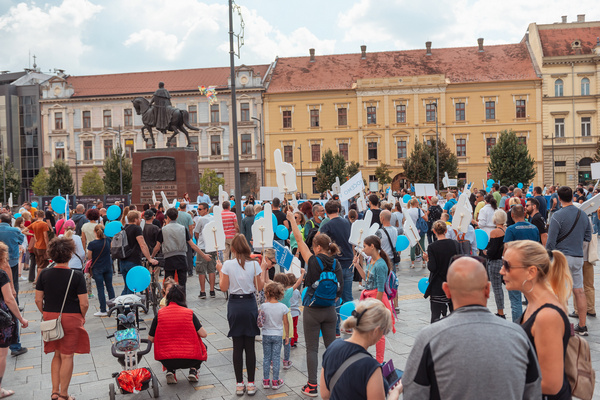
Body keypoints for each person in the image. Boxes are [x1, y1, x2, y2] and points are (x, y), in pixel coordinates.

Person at [402, 257, 542, 399]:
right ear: (487, 289)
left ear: (447, 290)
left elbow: (414, 393)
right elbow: (533, 392)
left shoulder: (429, 338)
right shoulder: (518, 335)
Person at [503, 240, 572, 398]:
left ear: (531, 272)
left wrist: (499, 381)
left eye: (507, 265)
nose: (501, 271)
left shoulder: (547, 316)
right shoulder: (536, 304)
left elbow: (551, 384)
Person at [287, 211, 343, 397]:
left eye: (313, 246)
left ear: (318, 247)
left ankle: (312, 386)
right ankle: (335, 382)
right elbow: (339, 292)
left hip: (312, 310)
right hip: (330, 311)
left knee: (311, 348)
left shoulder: (312, 261)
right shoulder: (336, 264)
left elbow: (298, 239)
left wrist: (291, 219)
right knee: (332, 347)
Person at [35, 237, 90, 400]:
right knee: (67, 355)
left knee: (56, 354)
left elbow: (38, 300)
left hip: (50, 317)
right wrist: (82, 316)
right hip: (72, 316)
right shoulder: (77, 275)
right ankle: (64, 395)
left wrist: (44, 314)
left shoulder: (44, 273)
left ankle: (54, 391)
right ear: (70, 254)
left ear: (51, 254)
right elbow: (84, 303)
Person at [320, 299, 401, 400]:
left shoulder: (333, 347)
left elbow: (325, 395)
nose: (382, 336)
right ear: (376, 331)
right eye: (384, 332)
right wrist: (395, 393)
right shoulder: (370, 366)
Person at [216, 234, 264, 396]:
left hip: (235, 305)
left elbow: (223, 288)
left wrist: (220, 271)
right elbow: (259, 287)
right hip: (250, 304)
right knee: (250, 346)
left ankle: (239, 384)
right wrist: (262, 269)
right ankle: (251, 384)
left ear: (234, 249)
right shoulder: (254, 264)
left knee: (237, 346)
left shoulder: (228, 264)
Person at [546, 186, 592, 336]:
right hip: (578, 257)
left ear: (558, 198)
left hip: (561, 257)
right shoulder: (582, 215)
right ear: (572, 196)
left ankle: (562, 326)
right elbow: (588, 237)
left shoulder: (557, 216)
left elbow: (551, 242)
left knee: (560, 291)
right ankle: (582, 326)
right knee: (579, 291)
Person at [148, 284, 208, 384]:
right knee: (204, 346)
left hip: (166, 358)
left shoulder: (160, 314)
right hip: (190, 358)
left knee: (169, 350)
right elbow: (204, 334)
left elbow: (150, 339)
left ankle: (170, 370)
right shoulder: (189, 313)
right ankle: (193, 370)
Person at [352, 235, 395, 363]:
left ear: (372, 246)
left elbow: (380, 289)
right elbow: (367, 278)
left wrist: (376, 307)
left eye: (365, 246)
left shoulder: (381, 265)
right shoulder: (371, 260)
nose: (363, 249)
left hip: (376, 298)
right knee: (365, 328)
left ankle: (379, 361)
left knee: (378, 332)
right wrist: (357, 265)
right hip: (368, 297)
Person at [158, 208, 211, 293]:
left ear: (167, 217)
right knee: (182, 283)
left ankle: (170, 300)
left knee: (169, 283)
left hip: (169, 258)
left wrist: (151, 257)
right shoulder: (183, 228)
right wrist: (204, 255)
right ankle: (182, 300)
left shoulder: (163, 230)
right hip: (181, 257)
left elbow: (157, 246)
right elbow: (192, 245)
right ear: (177, 216)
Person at [318, 200, 353, 326]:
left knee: (335, 297)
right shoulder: (347, 222)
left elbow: (321, 245)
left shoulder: (326, 226)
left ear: (326, 212)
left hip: (334, 264)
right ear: (338, 210)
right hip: (349, 262)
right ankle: (351, 325)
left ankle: (337, 327)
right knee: (348, 297)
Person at [0, 242, 28, 398]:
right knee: (1, 355)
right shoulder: (1, 274)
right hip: (1, 319)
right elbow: (9, 300)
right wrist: (21, 318)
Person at [504, 204, 540, 322]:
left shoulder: (511, 229)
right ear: (525, 214)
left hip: (515, 267)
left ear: (512, 215)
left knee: (515, 301)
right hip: (530, 267)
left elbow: (507, 249)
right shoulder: (534, 228)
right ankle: (532, 324)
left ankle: (518, 326)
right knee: (531, 298)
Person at [422, 221, 460, 322]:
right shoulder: (455, 244)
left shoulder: (432, 247)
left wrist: (427, 259)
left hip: (437, 285)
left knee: (435, 316)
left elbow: (432, 267)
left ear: (434, 231)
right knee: (455, 314)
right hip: (453, 283)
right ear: (446, 231)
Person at [0, 213, 25, 356]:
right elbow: (21, 241)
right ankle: (15, 345)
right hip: (12, 261)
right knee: (10, 297)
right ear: (10, 222)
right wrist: (12, 288)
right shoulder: (15, 230)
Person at [260, 281, 290, 390]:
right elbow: (286, 322)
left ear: (267, 293)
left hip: (266, 334)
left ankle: (266, 380)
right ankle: (275, 381)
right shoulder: (283, 307)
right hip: (278, 335)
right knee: (276, 358)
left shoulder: (263, 306)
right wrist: (286, 336)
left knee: (266, 357)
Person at [120, 211, 159, 295]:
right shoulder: (136, 228)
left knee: (127, 286)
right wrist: (149, 258)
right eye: (139, 218)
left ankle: (121, 306)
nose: (141, 220)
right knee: (132, 287)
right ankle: (127, 306)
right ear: (135, 219)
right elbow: (142, 244)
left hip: (123, 261)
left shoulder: (124, 228)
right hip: (132, 261)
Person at [86, 225, 115, 317]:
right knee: (110, 287)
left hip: (97, 268)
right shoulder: (108, 240)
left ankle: (103, 310)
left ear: (95, 232)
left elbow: (89, 257)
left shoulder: (92, 244)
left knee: (100, 288)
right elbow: (111, 250)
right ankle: (112, 308)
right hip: (108, 266)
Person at [485, 209, 507, 318]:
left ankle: (501, 312)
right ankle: (501, 310)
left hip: (495, 262)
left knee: (497, 288)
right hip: (504, 261)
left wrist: (486, 252)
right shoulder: (506, 230)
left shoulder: (495, 232)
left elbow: (492, 251)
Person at [193, 203, 217, 298]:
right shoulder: (213, 218)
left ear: (206, 209)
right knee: (211, 269)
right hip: (212, 246)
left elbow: (197, 232)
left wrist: (200, 240)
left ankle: (202, 291)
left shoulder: (200, 219)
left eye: (200, 209)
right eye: (198, 209)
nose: (198, 211)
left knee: (201, 270)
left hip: (202, 247)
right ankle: (212, 290)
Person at [406, 199, 428, 268]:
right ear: (416, 203)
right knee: (422, 245)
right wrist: (425, 212)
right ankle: (424, 262)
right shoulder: (419, 211)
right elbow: (426, 219)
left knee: (412, 246)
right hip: (419, 230)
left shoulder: (408, 211)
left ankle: (412, 263)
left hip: (411, 229)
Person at [30, 210, 50, 283]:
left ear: (37, 216)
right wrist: (48, 246)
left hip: (36, 246)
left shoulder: (34, 223)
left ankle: (40, 279)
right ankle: (37, 280)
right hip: (42, 246)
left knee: (39, 264)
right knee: (43, 264)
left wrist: (33, 235)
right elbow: (45, 236)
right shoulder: (44, 224)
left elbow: (24, 231)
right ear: (44, 216)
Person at [176, 203, 195, 277]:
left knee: (178, 253)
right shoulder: (188, 216)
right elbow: (190, 228)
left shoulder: (176, 214)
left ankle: (179, 269)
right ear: (185, 207)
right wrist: (190, 237)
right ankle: (190, 270)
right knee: (188, 254)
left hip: (177, 236)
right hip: (186, 236)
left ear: (179, 207)